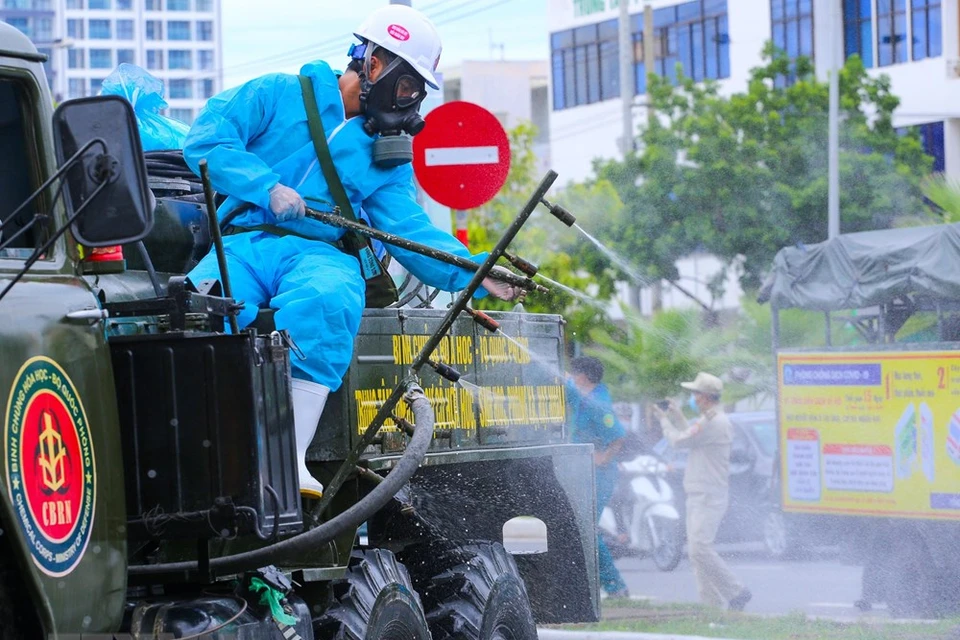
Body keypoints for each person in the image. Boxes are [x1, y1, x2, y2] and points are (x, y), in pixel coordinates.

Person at [182, 5, 521, 498]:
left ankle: (286, 456)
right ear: (376, 64)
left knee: (328, 297)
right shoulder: (277, 93)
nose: (411, 103)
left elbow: (408, 228)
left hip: (318, 253)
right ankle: (206, 452)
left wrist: (475, 271)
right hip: (242, 243)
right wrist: (265, 186)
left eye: (417, 94)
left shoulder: (384, 155)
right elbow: (207, 138)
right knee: (198, 307)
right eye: (409, 87)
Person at [654, 372, 751, 610]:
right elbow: (694, 438)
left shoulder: (714, 421)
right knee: (697, 554)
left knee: (700, 549)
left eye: (696, 393)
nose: (693, 398)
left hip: (708, 494)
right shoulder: (711, 419)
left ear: (706, 397)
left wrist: (665, 421)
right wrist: (677, 416)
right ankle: (711, 606)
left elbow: (679, 442)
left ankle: (736, 591)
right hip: (701, 492)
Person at [567, 356, 629, 599]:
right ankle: (605, 585)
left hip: (600, 475)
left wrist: (603, 457)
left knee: (587, 527)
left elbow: (618, 435)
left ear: (583, 376)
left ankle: (616, 587)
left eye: (574, 374)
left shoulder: (598, 403)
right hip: (585, 472)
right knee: (583, 526)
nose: (571, 377)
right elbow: (567, 389)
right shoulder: (584, 395)